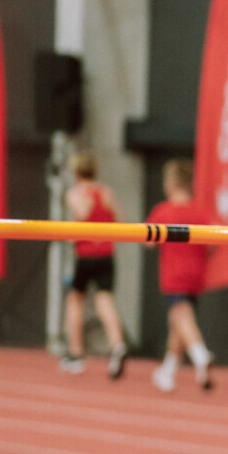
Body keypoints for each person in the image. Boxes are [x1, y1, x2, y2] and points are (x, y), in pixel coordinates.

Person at [146, 160, 215, 393]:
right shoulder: (201, 211)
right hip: (196, 272)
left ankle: (199, 352)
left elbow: (148, 243)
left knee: (181, 317)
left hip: (174, 273)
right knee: (177, 321)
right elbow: (214, 241)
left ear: (171, 183)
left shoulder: (163, 211)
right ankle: (169, 369)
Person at [62, 151, 129, 378]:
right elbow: (120, 219)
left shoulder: (75, 193)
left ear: (76, 172)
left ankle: (76, 353)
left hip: (87, 255)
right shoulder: (107, 193)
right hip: (106, 255)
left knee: (75, 300)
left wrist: (81, 214)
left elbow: (83, 213)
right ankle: (117, 345)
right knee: (104, 300)